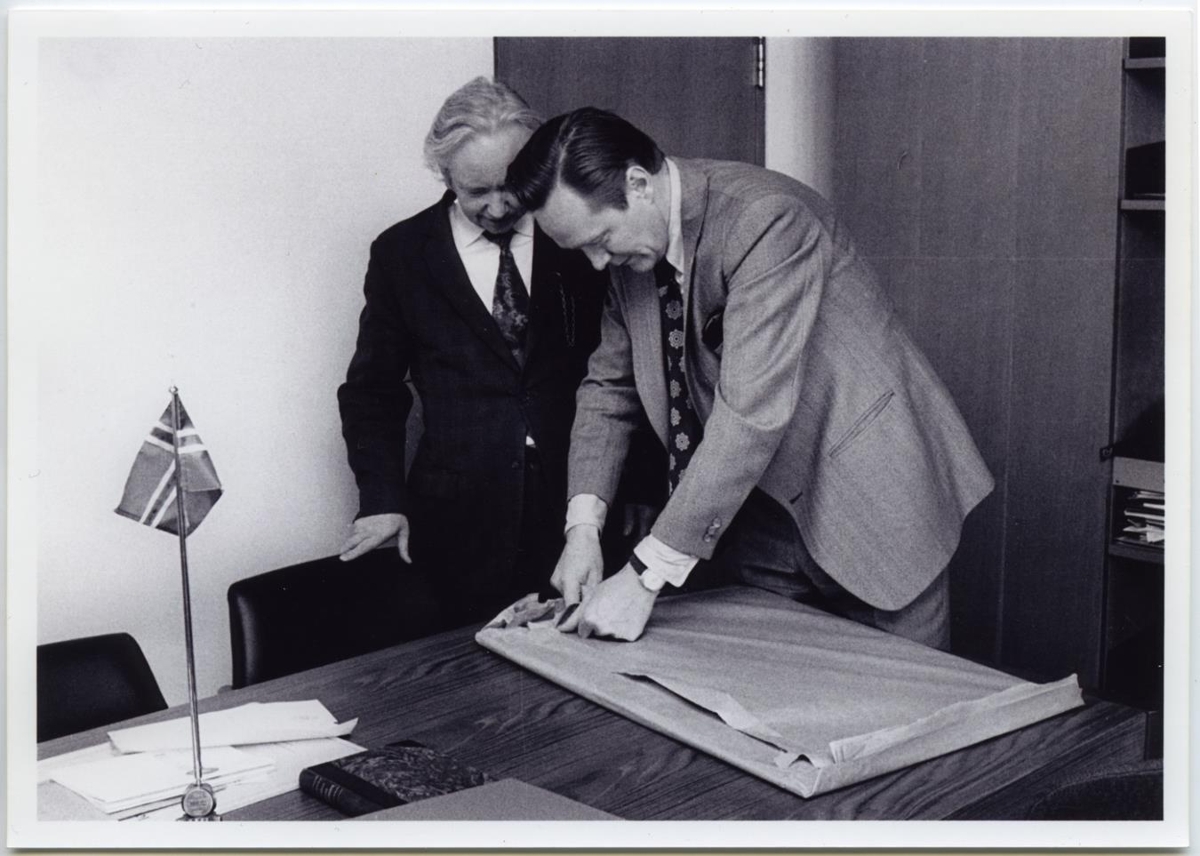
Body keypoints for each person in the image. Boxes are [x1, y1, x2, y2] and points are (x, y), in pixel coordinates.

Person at [505, 107, 995, 648]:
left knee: (904, 695)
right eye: (582, 250)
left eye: (600, 239)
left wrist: (645, 574)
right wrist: (582, 529)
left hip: (871, 506)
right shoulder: (631, 256)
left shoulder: (765, 219)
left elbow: (749, 412)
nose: (598, 264)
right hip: (757, 526)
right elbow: (608, 390)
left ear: (638, 184)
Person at [336, 79, 610, 628]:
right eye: (476, 191)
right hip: (459, 522)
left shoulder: (574, 236)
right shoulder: (402, 254)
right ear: (445, 176)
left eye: (512, 185)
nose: (499, 206)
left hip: (577, 506)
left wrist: (640, 490)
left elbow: (622, 372)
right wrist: (382, 498)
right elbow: (372, 391)